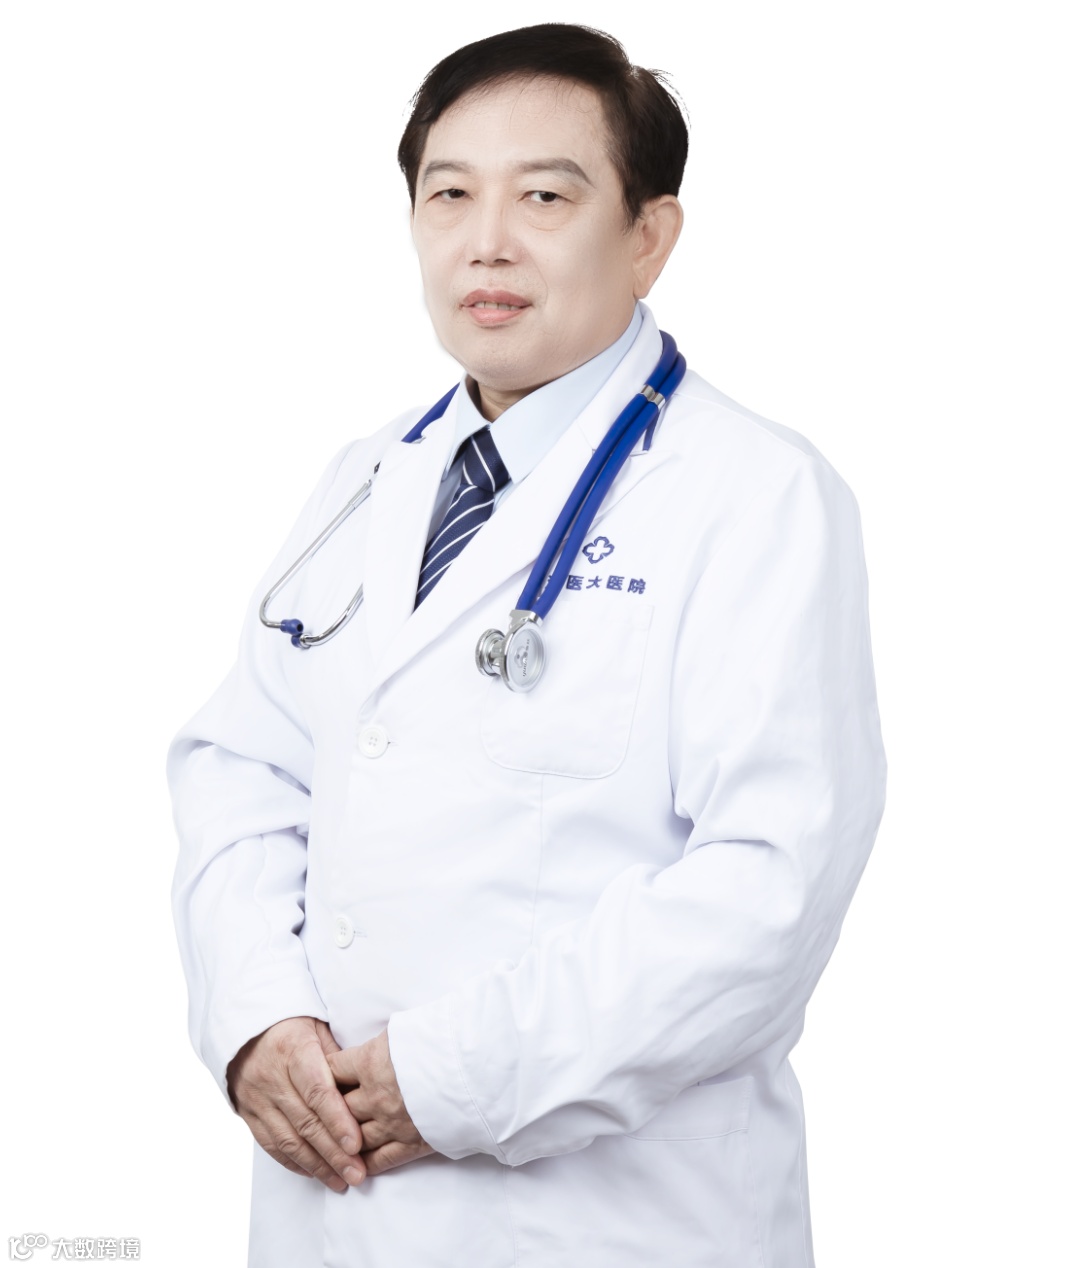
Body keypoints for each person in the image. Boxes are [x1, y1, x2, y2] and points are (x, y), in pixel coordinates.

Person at [168, 22, 886, 1268]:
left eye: (545, 196)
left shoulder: (756, 494)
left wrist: (454, 1075)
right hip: (331, 1208)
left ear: (649, 235)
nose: (487, 240)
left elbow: (766, 888)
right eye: (449, 194)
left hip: (608, 1223)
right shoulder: (368, 477)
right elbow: (242, 769)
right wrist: (257, 1019)